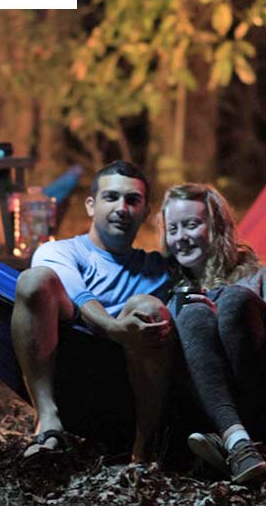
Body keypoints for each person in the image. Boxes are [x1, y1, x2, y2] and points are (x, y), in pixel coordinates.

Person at [11, 161, 174, 462]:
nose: (122, 208)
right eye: (111, 197)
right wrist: (114, 328)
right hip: (70, 373)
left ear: (146, 213)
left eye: (132, 200)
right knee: (33, 280)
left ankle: (145, 446)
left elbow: (224, 273)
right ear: (91, 205)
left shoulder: (159, 268)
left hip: (134, 385)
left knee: (150, 307)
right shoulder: (58, 251)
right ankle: (48, 422)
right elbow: (80, 296)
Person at [161, 183, 266, 483]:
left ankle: (230, 437)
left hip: (261, 395)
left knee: (233, 299)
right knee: (192, 310)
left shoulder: (260, 277)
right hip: (190, 408)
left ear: (216, 227)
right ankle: (236, 441)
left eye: (191, 225)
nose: (181, 238)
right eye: (172, 228)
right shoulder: (162, 286)